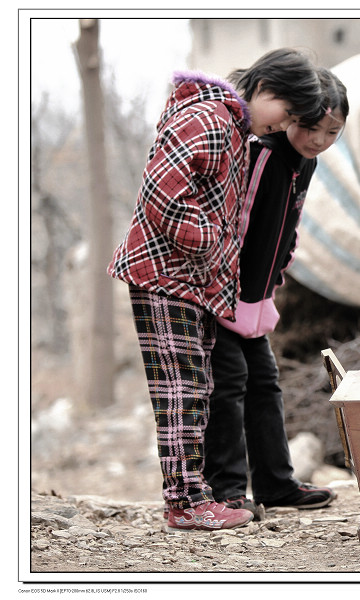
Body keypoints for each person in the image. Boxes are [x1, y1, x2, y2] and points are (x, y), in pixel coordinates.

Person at [108, 48, 324, 531]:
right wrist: (212, 242)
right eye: (285, 113)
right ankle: (185, 504)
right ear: (265, 87)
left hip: (191, 281)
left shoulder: (231, 125)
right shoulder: (206, 118)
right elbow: (160, 194)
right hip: (165, 276)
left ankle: (194, 495)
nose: (281, 125)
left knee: (196, 388)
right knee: (181, 390)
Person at [202, 69, 349, 518]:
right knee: (228, 387)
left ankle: (275, 483)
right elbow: (239, 223)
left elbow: (288, 229)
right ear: (291, 117)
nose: (319, 139)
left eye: (332, 132)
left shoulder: (306, 161)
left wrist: (273, 283)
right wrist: (229, 292)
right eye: (310, 126)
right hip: (224, 296)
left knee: (264, 383)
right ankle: (225, 488)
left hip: (256, 299)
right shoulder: (263, 152)